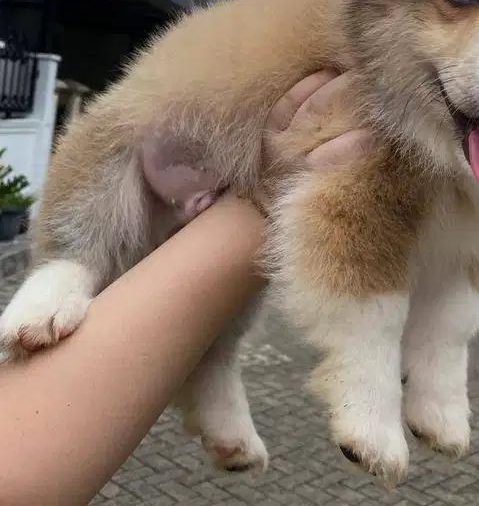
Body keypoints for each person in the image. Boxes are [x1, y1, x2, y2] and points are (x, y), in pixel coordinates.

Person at [0, 70, 371, 506]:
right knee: (115, 133)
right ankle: (70, 268)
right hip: (167, 124)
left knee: (266, 255)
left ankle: (214, 366)